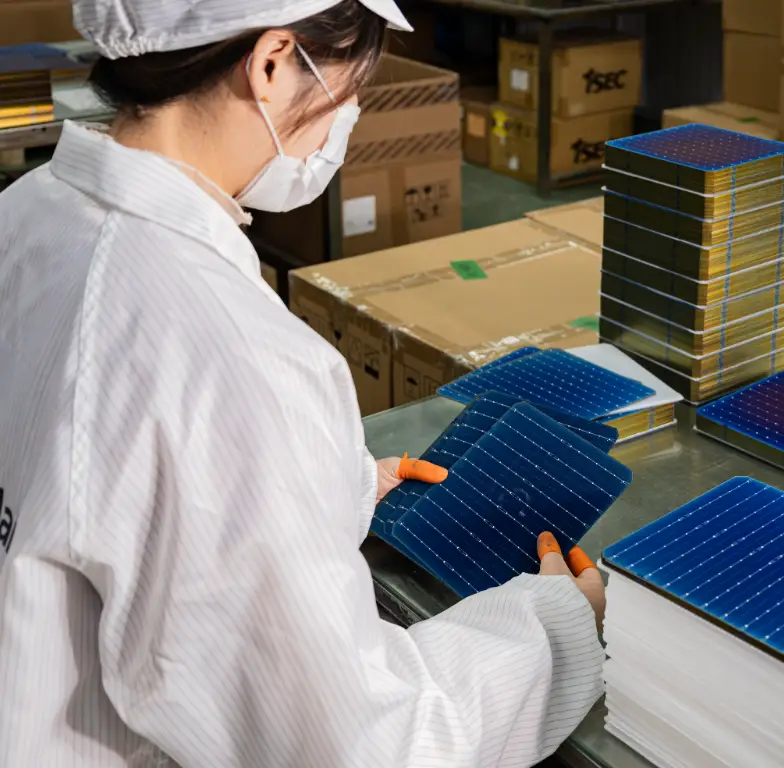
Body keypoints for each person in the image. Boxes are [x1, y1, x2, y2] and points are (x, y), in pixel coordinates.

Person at [0, 0, 606, 765]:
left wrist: (309, 486)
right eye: (351, 87)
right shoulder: (230, 351)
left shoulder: (26, 211)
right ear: (273, 63)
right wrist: (553, 631)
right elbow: (357, 744)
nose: (347, 116)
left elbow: (93, 486)